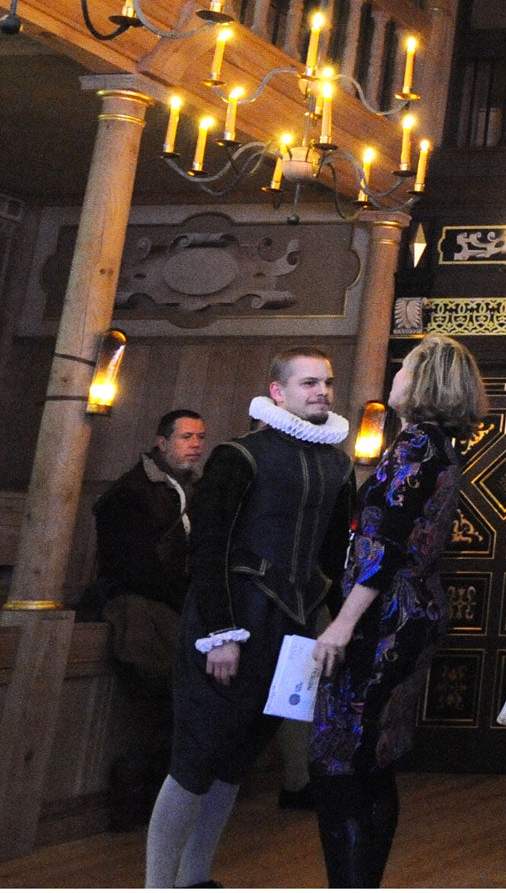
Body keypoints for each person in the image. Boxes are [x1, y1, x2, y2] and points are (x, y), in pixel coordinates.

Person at [145, 349, 354, 890]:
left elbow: (334, 558)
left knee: (236, 759)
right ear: (277, 391)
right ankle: (156, 884)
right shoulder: (241, 456)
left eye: (327, 383)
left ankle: (195, 879)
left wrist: (335, 627)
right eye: (309, 382)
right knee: (196, 758)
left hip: (293, 631)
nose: (322, 392)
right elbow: (208, 548)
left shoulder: (337, 461)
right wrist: (219, 634)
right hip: (233, 623)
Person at [304, 333, 483, 887]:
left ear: (423, 380)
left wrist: (342, 622)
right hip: (415, 613)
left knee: (339, 765)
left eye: (404, 366)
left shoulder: (415, 447)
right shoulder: (440, 446)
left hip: (383, 619)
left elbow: (385, 546)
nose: (395, 374)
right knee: (373, 762)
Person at [95, 410, 207, 828]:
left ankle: (160, 806)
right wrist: (183, 594)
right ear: (162, 443)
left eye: (200, 437)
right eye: (186, 437)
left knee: (172, 708)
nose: (195, 444)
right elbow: (129, 565)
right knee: (152, 706)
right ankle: (134, 806)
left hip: (174, 605)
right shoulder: (132, 493)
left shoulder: (194, 490)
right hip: (142, 607)